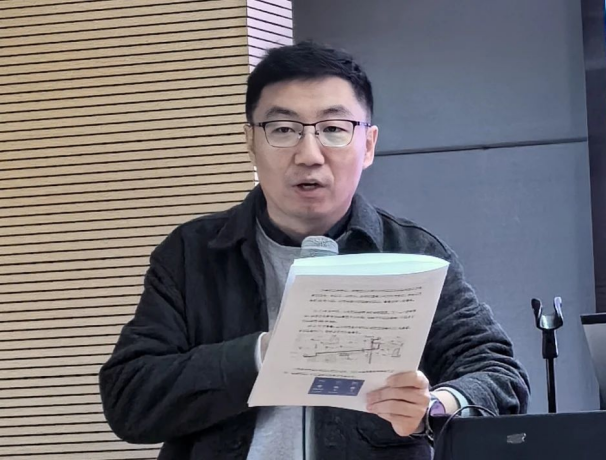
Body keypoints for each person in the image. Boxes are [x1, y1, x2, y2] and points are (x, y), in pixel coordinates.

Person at [99, 41, 530, 460]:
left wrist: (434, 407)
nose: (309, 155)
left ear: (368, 145)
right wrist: (263, 354)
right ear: (250, 141)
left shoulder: (413, 254)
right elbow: (129, 398)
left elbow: (499, 375)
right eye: (283, 130)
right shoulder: (192, 254)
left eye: (334, 129)